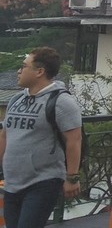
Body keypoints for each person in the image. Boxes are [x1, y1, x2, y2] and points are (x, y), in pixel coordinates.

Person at [0, 47, 83, 228]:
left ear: (39, 72)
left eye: (24, 66)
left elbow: (74, 140)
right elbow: (5, 135)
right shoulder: (16, 100)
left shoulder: (62, 101)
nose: (19, 71)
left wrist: (72, 177)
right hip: (12, 182)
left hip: (43, 181)